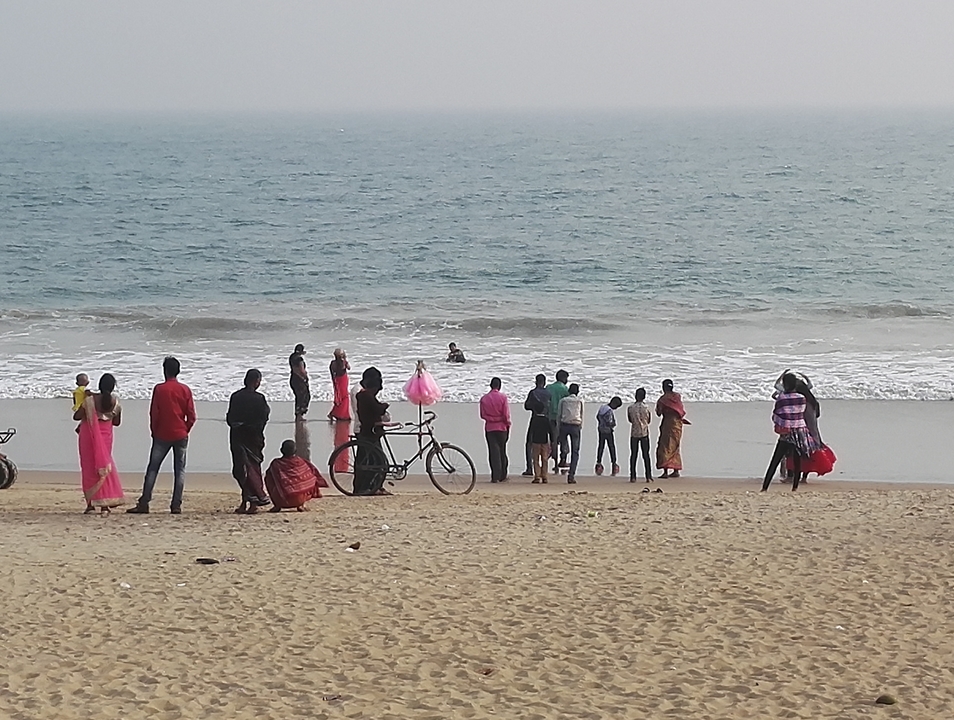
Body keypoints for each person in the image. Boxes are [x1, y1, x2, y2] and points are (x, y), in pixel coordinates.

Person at [128, 356, 197, 514]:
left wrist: (154, 431)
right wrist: (185, 429)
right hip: (180, 433)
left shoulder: (159, 389)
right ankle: (176, 504)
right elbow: (192, 416)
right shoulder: (185, 389)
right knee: (179, 470)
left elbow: (154, 413)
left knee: (153, 468)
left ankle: (145, 502)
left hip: (162, 434)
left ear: (165, 371)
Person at [73, 373, 125, 515]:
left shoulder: (90, 401)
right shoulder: (115, 402)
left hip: (88, 437)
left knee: (89, 468)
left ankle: (90, 505)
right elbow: (117, 422)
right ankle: (104, 505)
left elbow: (76, 416)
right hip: (106, 437)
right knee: (104, 467)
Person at [762, 372, 818, 492]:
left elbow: (776, 414)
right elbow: (801, 413)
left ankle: (765, 487)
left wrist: (779, 424)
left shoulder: (782, 398)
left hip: (786, 432)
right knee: (797, 461)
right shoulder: (802, 398)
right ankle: (795, 487)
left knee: (775, 460)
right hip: (800, 432)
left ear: (785, 385)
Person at [227, 369, 272, 513]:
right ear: (256, 381)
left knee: (241, 471)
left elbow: (230, 418)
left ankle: (248, 502)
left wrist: (240, 425)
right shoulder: (259, 398)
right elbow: (263, 418)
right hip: (254, 438)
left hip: (237, 437)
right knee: (252, 470)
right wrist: (252, 427)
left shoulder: (235, 397)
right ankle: (253, 501)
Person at [354, 366, 392, 496]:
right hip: (370, 433)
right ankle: (366, 488)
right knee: (375, 462)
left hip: (368, 431)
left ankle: (371, 487)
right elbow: (377, 409)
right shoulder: (366, 396)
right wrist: (385, 405)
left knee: (371, 461)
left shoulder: (362, 395)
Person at [264, 439, 327, 511]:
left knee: (270, 477)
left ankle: (277, 506)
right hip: (300, 499)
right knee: (310, 477)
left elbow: (268, 479)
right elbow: (314, 475)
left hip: (282, 500)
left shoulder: (275, 464)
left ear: (281, 450)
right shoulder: (301, 462)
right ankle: (301, 504)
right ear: (295, 451)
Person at [479, 377, 511, 483]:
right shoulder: (503, 398)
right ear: (499, 386)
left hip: (490, 428)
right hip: (502, 427)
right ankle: (503, 475)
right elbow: (506, 414)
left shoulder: (484, 399)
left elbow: (483, 415)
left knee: (493, 452)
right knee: (502, 451)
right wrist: (508, 424)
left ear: (490, 386)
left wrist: (492, 419)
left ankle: (495, 476)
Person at [655, 379, 689, 478]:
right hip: (678, 424)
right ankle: (676, 470)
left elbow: (659, 413)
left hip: (668, 424)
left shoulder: (663, 399)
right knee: (675, 446)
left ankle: (665, 471)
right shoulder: (677, 397)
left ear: (664, 388)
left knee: (665, 446)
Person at [521, 374, 550, 477]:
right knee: (547, 443)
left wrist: (534, 407)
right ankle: (548, 468)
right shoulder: (548, 393)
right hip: (547, 419)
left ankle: (530, 467)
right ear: (544, 382)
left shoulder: (533, 393)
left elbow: (526, 406)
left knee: (529, 443)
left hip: (535, 418)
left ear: (536, 382)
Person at [557, 383, 584, 484]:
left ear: (569, 391)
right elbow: (581, 414)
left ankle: (563, 457)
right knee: (575, 451)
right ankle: (571, 475)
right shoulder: (580, 401)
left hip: (564, 425)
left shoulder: (563, 400)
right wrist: (580, 426)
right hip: (576, 425)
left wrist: (558, 428)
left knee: (563, 445)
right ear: (577, 392)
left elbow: (559, 415)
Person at [546, 370, 570, 472]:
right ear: (563, 378)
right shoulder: (565, 389)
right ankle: (562, 459)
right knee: (563, 439)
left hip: (549, 416)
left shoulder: (549, 387)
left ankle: (554, 460)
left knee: (552, 439)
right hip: (560, 417)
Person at [627, 388, 653, 483]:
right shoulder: (647, 407)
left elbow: (630, 420)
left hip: (634, 433)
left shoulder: (630, 408)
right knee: (646, 455)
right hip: (644, 433)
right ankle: (648, 476)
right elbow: (649, 420)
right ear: (644, 397)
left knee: (633, 455)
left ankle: (633, 476)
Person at [595, 396, 623, 476]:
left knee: (601, 446)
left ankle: (598, 462)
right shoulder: (609, 411)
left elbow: (597, 417)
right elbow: (610, 421)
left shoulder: (602, 407)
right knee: (611, 447)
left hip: (601, 429)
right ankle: (614, 463)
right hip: (608, 431)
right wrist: (613, 424)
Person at [529, 400, 552, 485]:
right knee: (544, 459)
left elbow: (530, 430)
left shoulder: (534, 419)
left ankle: (537, 476)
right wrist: (552, 440)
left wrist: (529, 440)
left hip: (535, 441)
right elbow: (550, 431)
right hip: (544, 441)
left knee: (535, 459)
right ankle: (544, 476)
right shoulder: (546, 419)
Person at [328, 348, 351, 421]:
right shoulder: (343, 362)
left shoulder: (333, 363)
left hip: (337, 380)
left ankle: (336, 414)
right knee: (344, 397)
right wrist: (345, 359)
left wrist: (334, 381)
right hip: (342, 379)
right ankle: (342, 415)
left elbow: (332, 373)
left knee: (340, 397)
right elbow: (349, 368)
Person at [289, 343, 310, 418]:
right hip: (300, 379)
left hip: (293, 378)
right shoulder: (299, 359)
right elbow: (302, 370)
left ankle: (297, 413)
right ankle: (300, 413)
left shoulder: (292, 357)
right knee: (305, 396)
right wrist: (306, 377)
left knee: (298, 397)